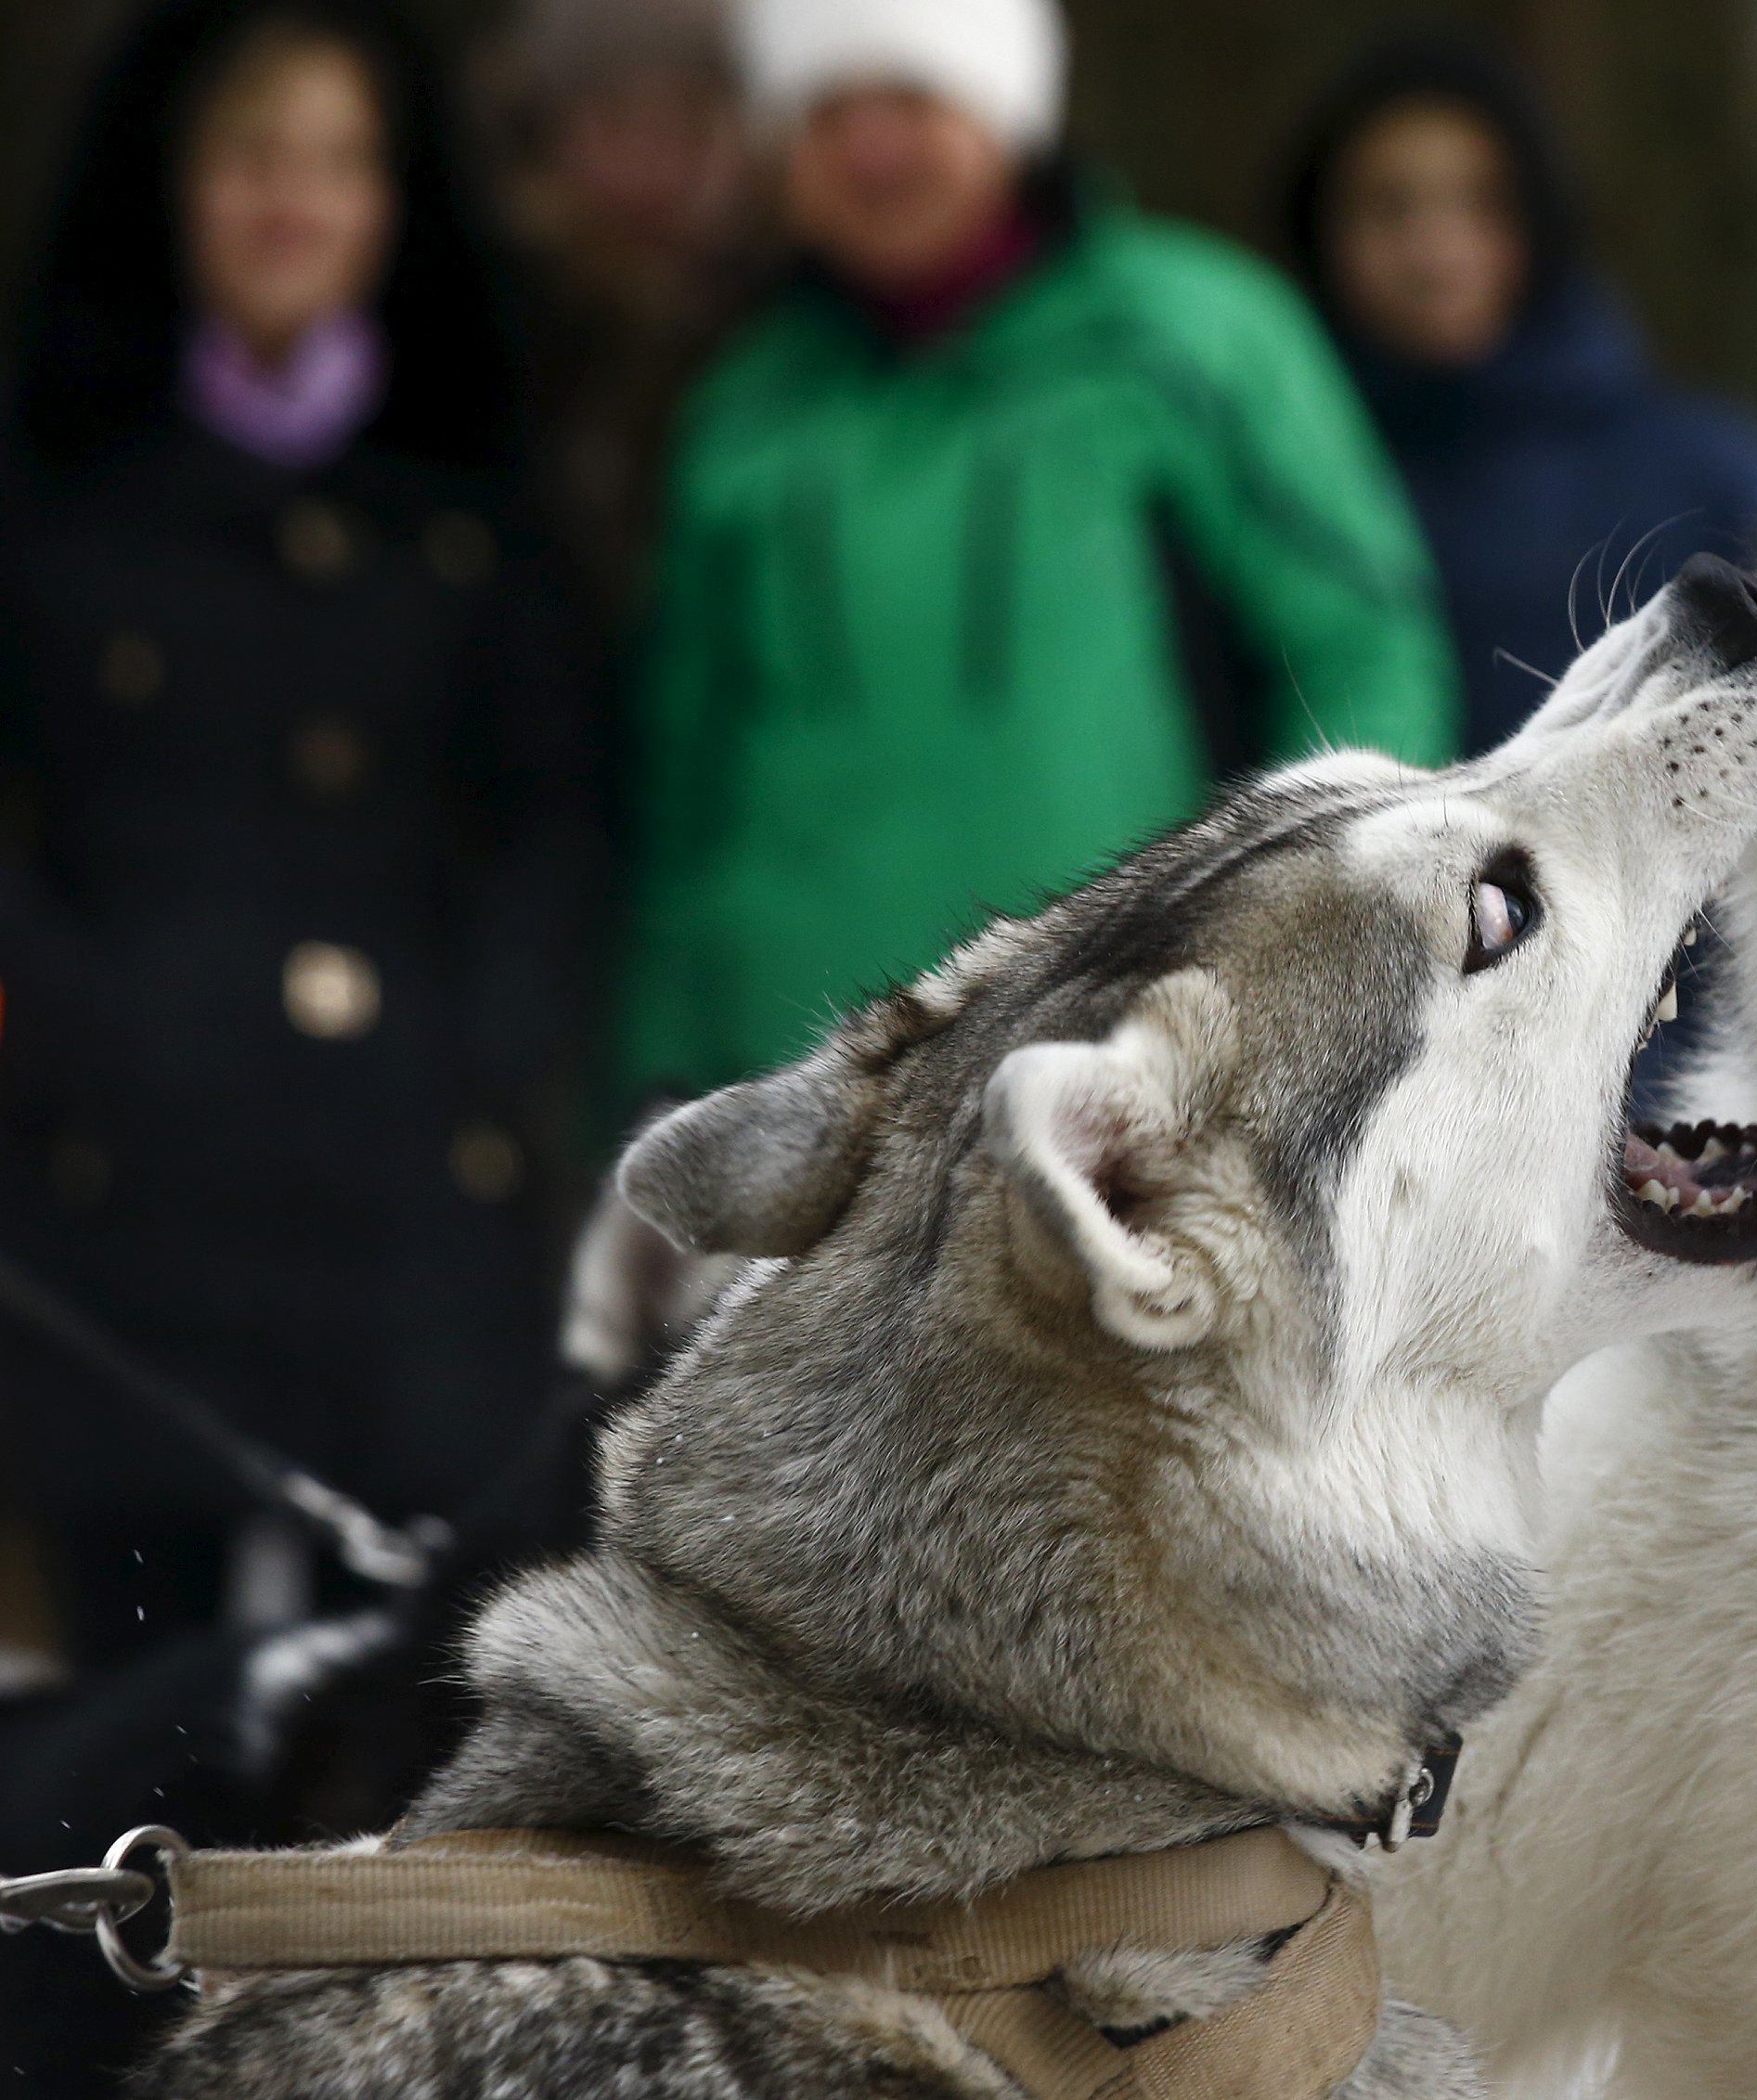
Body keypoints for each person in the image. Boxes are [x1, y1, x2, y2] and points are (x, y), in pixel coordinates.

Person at [0, 0, 601, 2075]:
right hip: (128, 1230)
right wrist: (78, 1032)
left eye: (336, 163)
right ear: (176, 194)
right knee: (124, 1769)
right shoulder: (57, 498)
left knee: (412, 1756)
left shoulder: (479, 519)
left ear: (387, 208)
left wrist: (487, 1056)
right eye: (251, 157)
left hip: (411, 1229)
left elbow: (556, 823)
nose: (289, 204)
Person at [614, 0, 1457, 1106]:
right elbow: (686, 785)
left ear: (1001, 110)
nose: (871, 150)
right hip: (805, 1093)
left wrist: (1317, 959)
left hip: (1128, 1057)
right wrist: (658, 1069)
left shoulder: (1191, 337)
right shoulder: (744, 410)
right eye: (827, 112)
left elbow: (1359, 645)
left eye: (910, 100)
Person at [1283, 36, 1757, 754]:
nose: (1433, 252)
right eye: (1387, 207)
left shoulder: (1707, 475)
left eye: (1480, 203)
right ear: (1319, 233)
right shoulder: (1268, 475)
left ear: (1541, 222)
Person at [485, 0, 774, 628]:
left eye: (688, 122)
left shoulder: (789, 336)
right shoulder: (493, 336)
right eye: (615, 121)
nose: (653, 169)